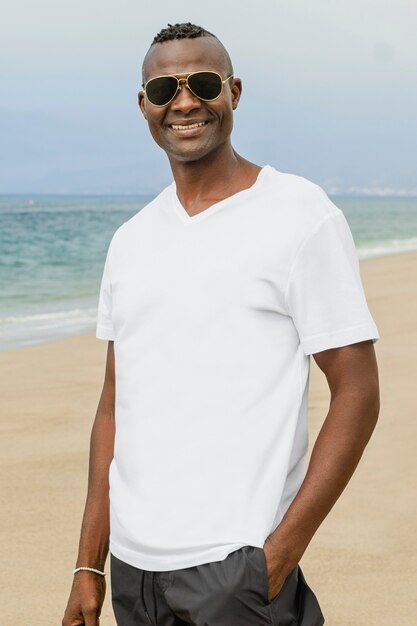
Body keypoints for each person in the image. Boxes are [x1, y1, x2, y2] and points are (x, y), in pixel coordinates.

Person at [62, 22, 380, 626]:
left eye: (203, 83)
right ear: (143, 106)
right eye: (164, 90)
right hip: (133, 573)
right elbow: (114, 407)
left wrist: (278, 556)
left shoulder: (299, 215)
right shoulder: (131, 241)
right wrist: (89, 565)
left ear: (234, 92)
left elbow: (358, 391)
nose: (184, 102)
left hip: (237, 570)